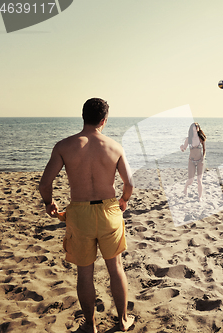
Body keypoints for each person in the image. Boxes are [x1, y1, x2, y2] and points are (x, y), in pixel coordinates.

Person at [39, 98, 135, 333]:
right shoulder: (114, 147)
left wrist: (49, 203)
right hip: (109, 211)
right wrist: (123, 200)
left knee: (85, 272)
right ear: (104, 120)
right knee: (116, 268)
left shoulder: (64, 146)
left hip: (79, 213)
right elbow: (129, 183)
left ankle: (90, 325)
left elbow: (44, 183)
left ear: (83, 117)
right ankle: (122, 321)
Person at [180, 122, 207, 201]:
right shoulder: (189, 139)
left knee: (199, 180)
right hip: (191, 161)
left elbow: (204, 150)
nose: (196, 127)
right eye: (194, 126)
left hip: (200, 161)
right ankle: (185, 188)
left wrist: (203, 158)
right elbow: (184, 149)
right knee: (191, 180)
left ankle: (200, 197)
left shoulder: (201, 138)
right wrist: (182, 148)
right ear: (192, 128)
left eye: (197, 126)